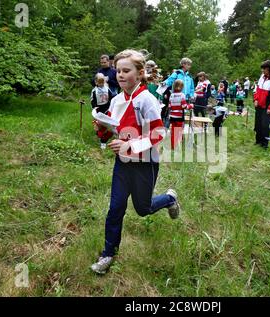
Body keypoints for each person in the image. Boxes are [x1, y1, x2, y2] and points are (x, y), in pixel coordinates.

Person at [90, 50, 180, 275]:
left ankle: (169, 198)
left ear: (140, 74)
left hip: (145, 163)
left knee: (143, 208)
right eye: (118, 70)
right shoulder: (117, 100)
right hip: (122, 164)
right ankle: (108, 253)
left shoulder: (146, 99)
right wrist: (101, 130)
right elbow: (111, 130)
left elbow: (159, 132)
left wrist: (130, 145)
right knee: (115, 208)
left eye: (126, 70)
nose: (120, 75)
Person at [253, 60, 270, 148]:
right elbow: (258, 89)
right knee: (258, 123)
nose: (262, 71)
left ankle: (265, 144)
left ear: (268, 69)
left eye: (263, 69)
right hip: (259, 104)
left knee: (265, 125)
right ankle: (258, 141)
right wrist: (256, 99)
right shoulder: (262, 77)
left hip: (267, 105)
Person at [169, 80, 194, 150]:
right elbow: (184, 106)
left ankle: (173, 146)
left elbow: (169, 106)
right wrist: (191, 106)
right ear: (181, 87)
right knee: (179, 130)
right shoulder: (182, 95)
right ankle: (177, 145)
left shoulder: (171, 95)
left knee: (173, 131)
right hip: (179, 116)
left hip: (172, 116)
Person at [91, 73, 113, 149]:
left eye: (102, 81)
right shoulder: (95, 91)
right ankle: (100, 135)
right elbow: (92, 100)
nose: (101, 84)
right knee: (99, 125)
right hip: (99, 110)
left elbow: (111, 98)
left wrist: (111, 106)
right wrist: (94, 108)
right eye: (99, 82)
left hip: (107, 108)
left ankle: (103, 141)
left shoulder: (107, 89)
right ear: (96, 82)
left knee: (106, 125)